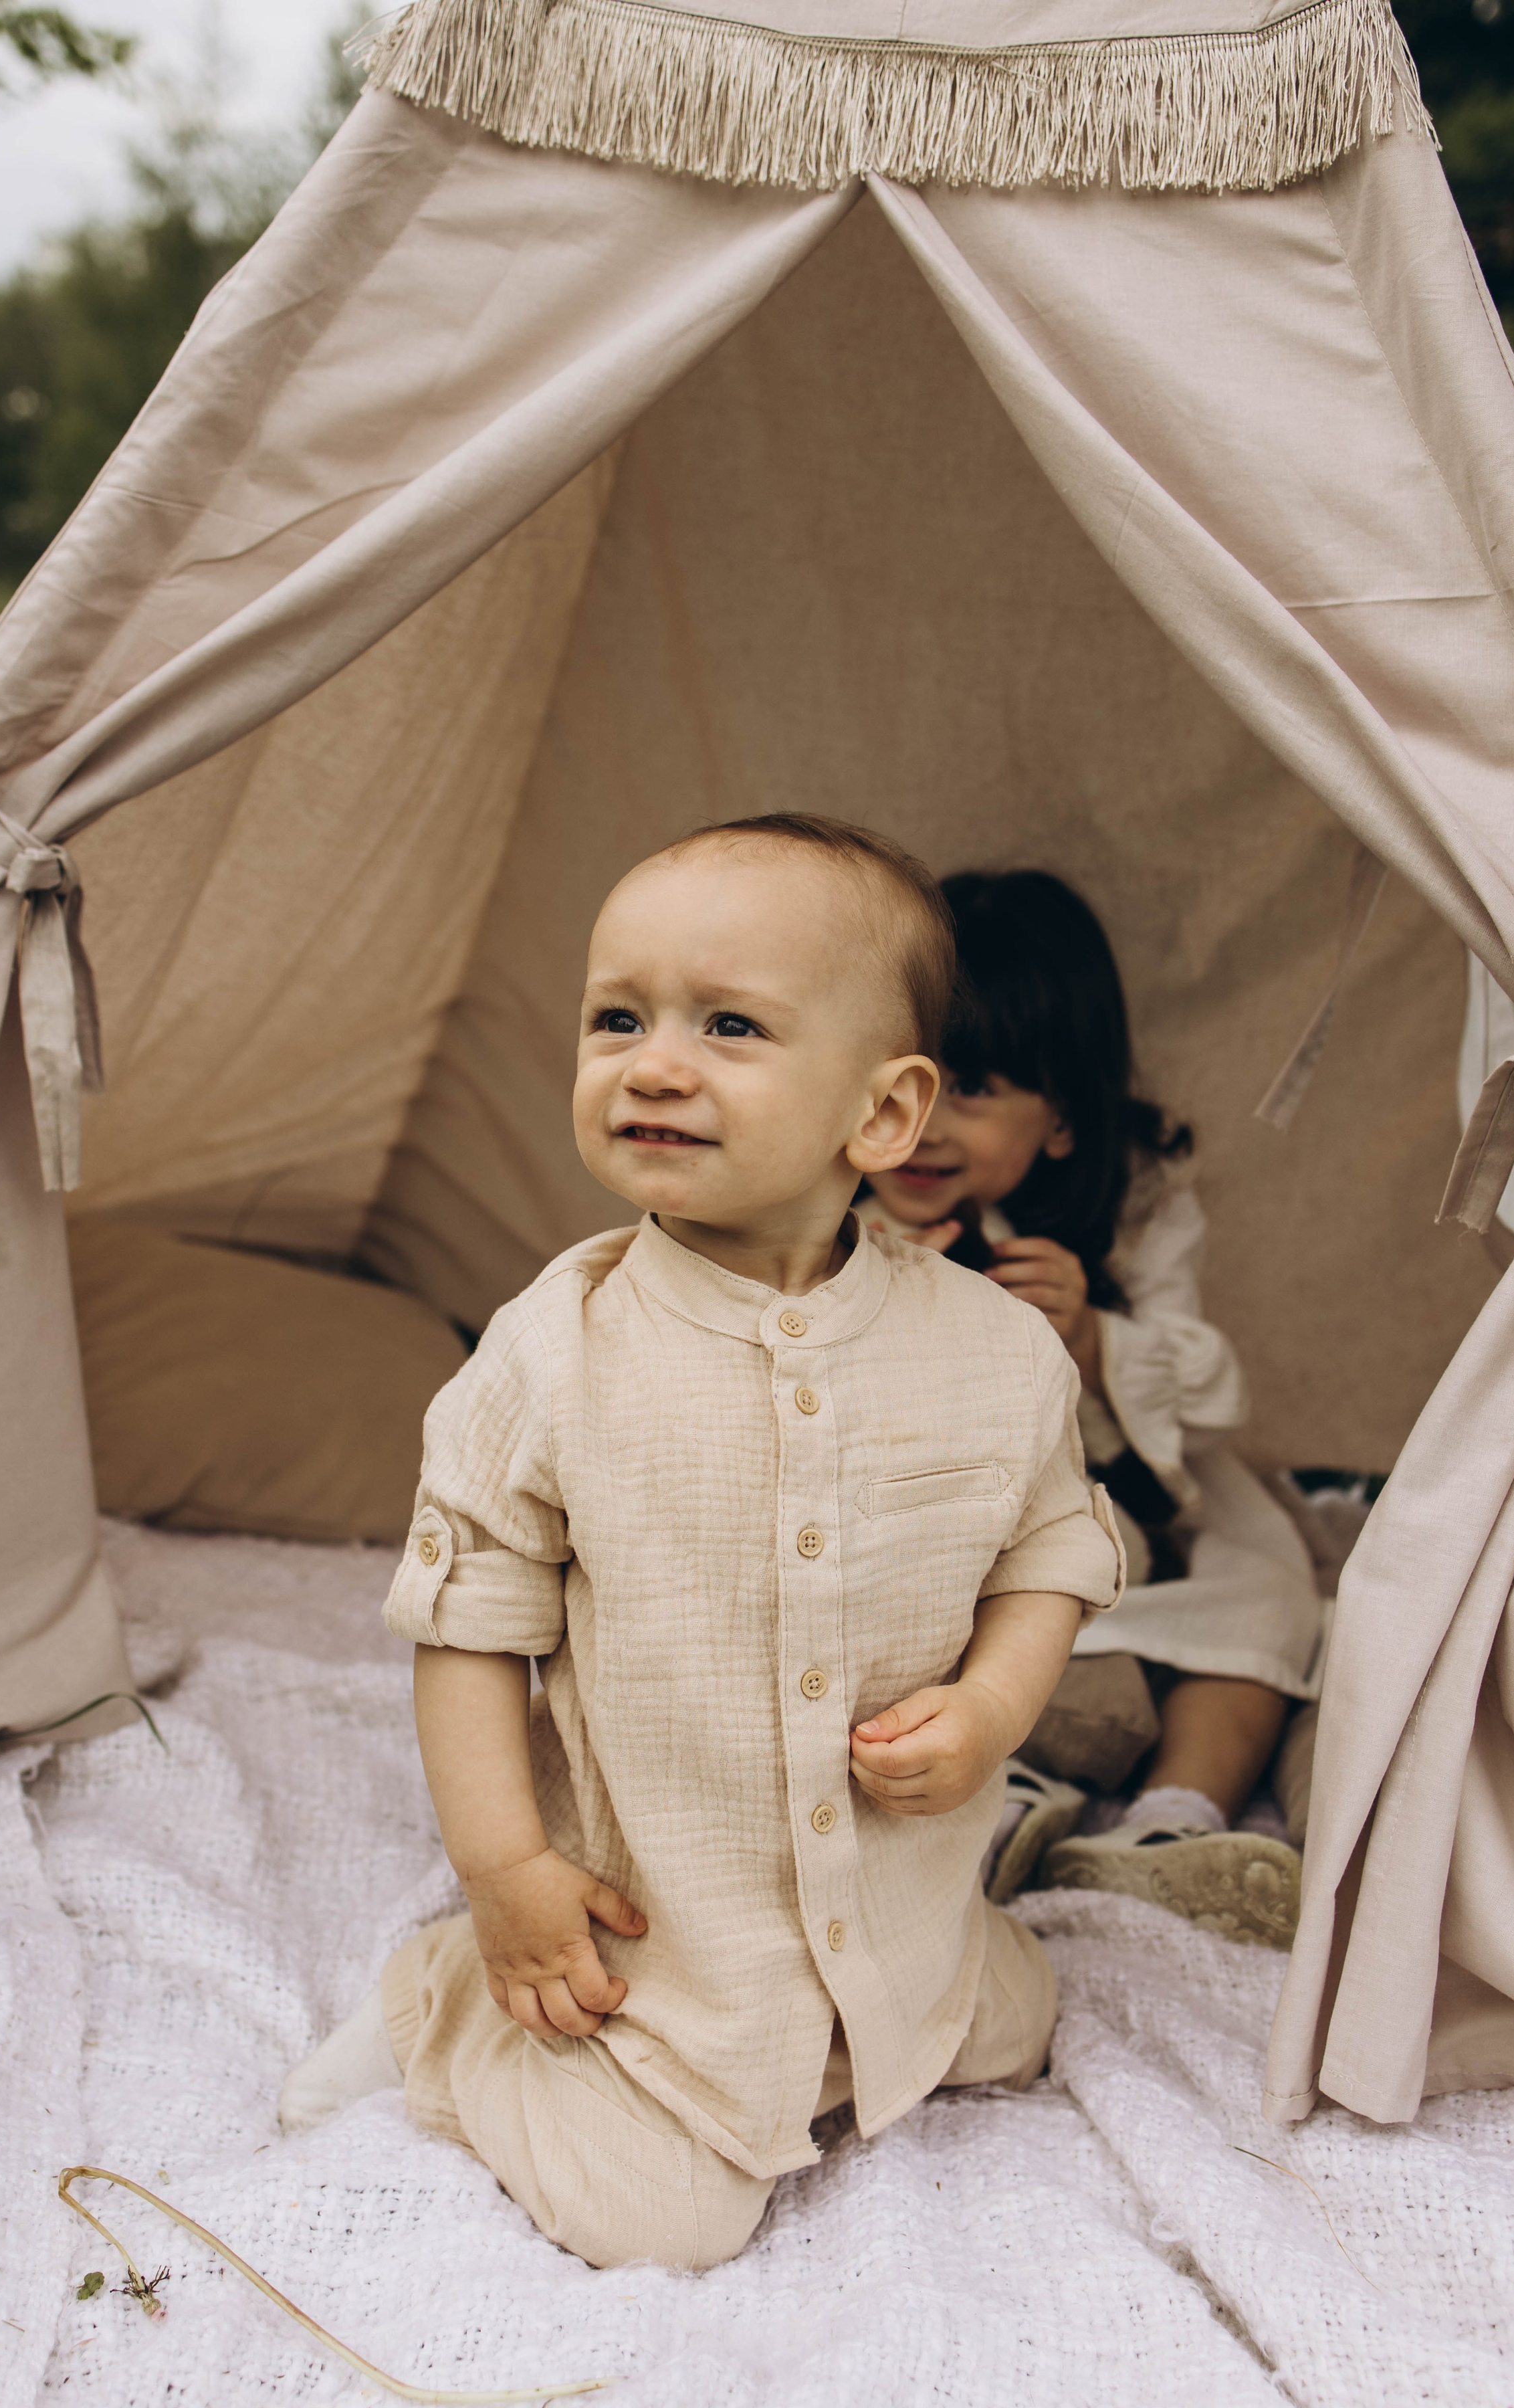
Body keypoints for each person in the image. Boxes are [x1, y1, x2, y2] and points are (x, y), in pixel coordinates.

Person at [279, 815, 1123, 2270]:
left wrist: (990, 1712)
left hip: (903, 1903)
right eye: (617, 1018)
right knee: (663, 2223)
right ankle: (452, 2007)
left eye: (727, 1024)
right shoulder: (550, 1356)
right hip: (672, 1931)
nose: (650, 1062)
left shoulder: (996, 1355)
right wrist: (501, 1875)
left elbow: (1048, 1551)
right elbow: (466, 1627)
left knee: (1013, 2032)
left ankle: (898, 2000)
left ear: (881, 1114)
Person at [864, 869, 1320, 1949]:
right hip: (925, 1531)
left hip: (1116, 1506)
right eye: (898, 1084)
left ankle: (1173, 1824)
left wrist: (1094, 1340)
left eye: (969, 1092)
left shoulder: (1137, 1202)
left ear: (1061, 1119)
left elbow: (1205, 1400)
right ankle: (998, 1796)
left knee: (1271, 1585)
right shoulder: (820, 1203)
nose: (917, 1129)